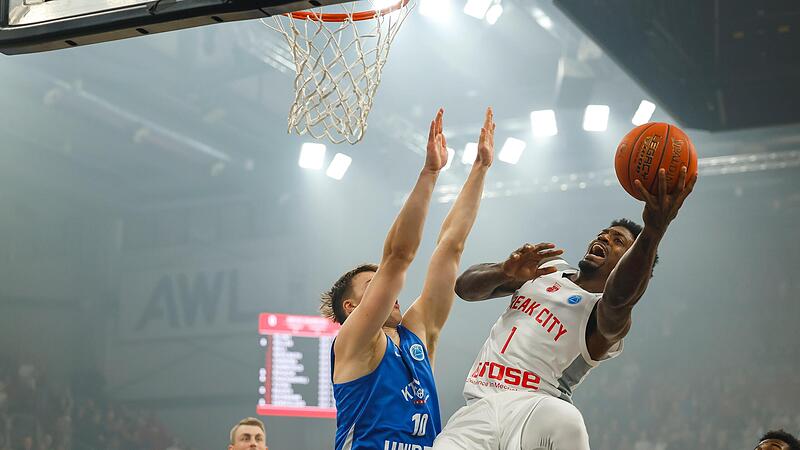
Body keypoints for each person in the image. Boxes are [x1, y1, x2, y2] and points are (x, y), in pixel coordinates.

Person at [433, 167, 697, 450]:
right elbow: (464, 289)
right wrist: (504, 271)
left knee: (567, 420)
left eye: (618, 241)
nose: (605, 238)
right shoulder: (548, 269)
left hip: (534, 409)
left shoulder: (604, 315)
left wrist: (653, 232)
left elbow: (620, 299)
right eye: (604, 233)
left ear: (631, 263)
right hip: (478, 408)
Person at [321, 108, 496, 450]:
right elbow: (397, 259)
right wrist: (430, 173)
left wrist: (480, 168)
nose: (392, 296)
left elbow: (450, 249)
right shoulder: (354, 343)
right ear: (351, 306)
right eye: (372, 286)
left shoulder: (416, 335)